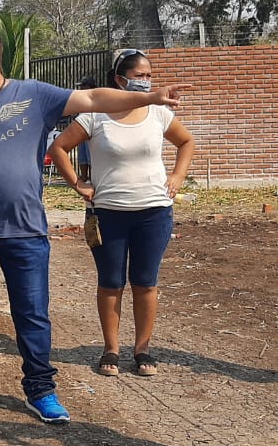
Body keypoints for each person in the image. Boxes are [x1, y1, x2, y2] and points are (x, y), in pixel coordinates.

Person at [0, 26, 183, 423]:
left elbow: (95, 98)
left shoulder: (34, 95)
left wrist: (148, 96)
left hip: (25, 231)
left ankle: (40, 389)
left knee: (32, 313)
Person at [48, 50, 195, 377]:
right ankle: (111, 350)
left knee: (145, 282)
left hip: (154, 212)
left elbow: (186, 142)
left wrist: (177, 176)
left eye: (148, 75)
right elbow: (58, 148)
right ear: (119, 79)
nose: (146, 81)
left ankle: (142, 349)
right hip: (108, 214)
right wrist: (78, 183)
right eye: (139, 75)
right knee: (111, 282)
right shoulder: (95, 114)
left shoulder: (158, 112)